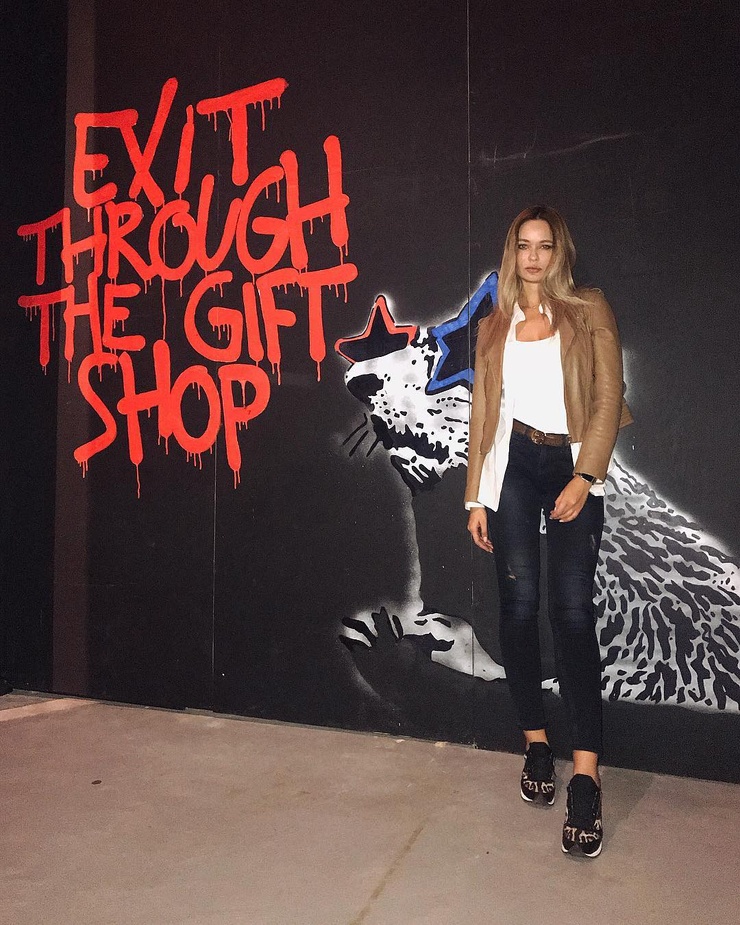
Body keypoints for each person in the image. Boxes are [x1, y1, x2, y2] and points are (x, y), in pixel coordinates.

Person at [465, 205, 632, 858]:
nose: (533, 257)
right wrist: (477, 496)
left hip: (570, 462)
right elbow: (486, 413)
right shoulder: (495, 325)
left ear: (559, 253)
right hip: (513, 467)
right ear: (513, 254)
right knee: (518, 608)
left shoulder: (588, 308)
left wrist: (585, 477)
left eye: (545, 246)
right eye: (524, 246)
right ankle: (536, 743)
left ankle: (586, 776)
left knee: (571, 613)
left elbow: (607, 395)